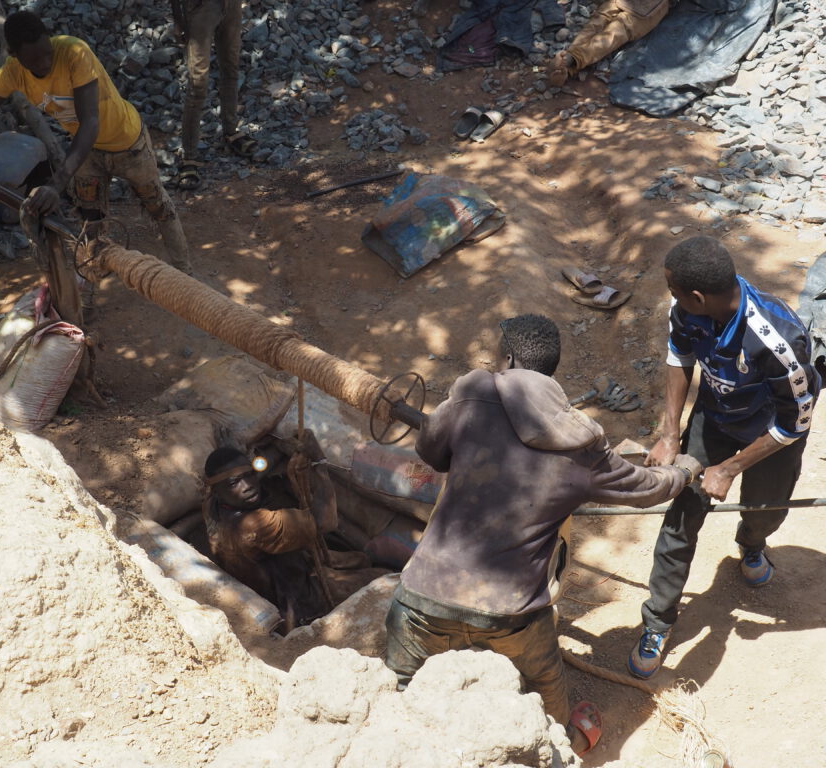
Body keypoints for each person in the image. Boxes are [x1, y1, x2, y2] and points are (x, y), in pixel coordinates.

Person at [384, 313, 701, 756]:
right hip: (509, 614)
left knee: (395, 698)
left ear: (508, 358)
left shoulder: (471, 394)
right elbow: (647, 489)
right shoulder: (582, 444)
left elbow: (430, 451)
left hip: (422, 597)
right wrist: (685, 469)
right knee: (544, 690)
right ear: (551, 369)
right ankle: (563, 745)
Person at [628, 236, 820, 679]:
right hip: (714, 420)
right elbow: (680, 356)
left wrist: (730, 468)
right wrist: (670, 433)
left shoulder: (779, 339)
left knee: (765, 511)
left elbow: (796, 423)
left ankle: (752, 544)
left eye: (676, 292)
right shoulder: (689, 313)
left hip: (770, 435)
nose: (672, 299)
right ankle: (658, 620)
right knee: (681, 516)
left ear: (699, 296)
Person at [0, 10, 191, 273]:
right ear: (14, 54)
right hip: (87, 152)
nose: (45, 62)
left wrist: (56, 183)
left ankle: (185, 276)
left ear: (50, 38)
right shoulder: (11, 73)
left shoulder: (74, 52)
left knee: (159, 208)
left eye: (47, 52)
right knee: (90, 220)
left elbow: (91, 123)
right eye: (34, 59)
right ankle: (90, 283)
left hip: (129, 143)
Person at [203, 432, 387, 633]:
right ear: (216, 490)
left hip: (291, 569)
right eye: (234, 483)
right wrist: (319, 464)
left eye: (249, 475)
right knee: (383, 579)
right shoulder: (252, 526)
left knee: (360, 559)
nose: (247, 486)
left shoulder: (214, 507)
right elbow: (325, 522)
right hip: (301, 602)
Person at [170, 0, 256, 190]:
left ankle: (231, 132)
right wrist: (178, 19)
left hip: (231, 6)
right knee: (198, 84)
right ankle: (189, 157)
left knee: (231, 70)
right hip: (201, 8)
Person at [546, 0, 669, 87]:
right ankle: (570, 61)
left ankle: (568, 60)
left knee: (598, 24)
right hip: (649, 8)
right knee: (614, 33)